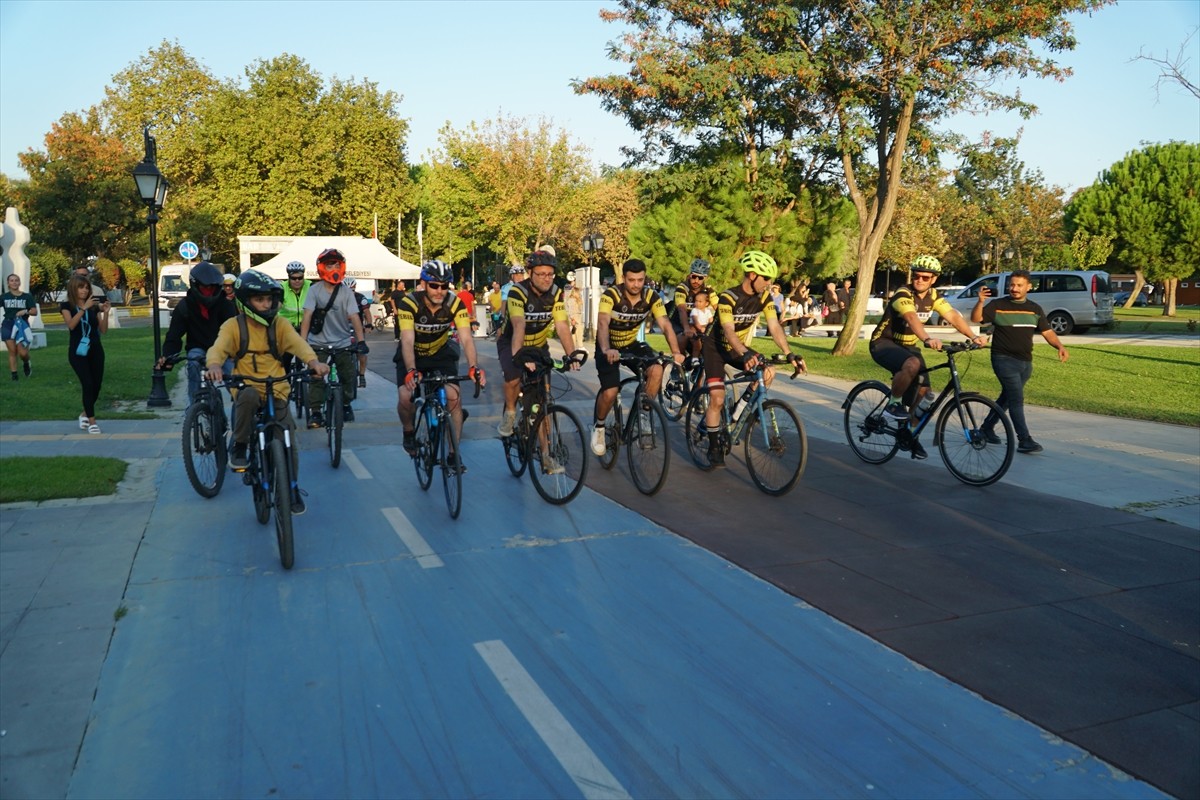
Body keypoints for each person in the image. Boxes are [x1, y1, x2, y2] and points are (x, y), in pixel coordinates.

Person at [205, 271, 329, 511]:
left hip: (277, 387)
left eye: (269, 300)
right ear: (245, 301)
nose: (266, 304)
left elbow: (299, 344)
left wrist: (314, 363)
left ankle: (292, 487)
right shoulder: (233, 326)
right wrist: (214, 365)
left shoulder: (279, 324)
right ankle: (240, 444)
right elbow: (218, 348)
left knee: (288, 437)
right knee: (248, 396)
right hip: (247, 384)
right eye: (259, 300)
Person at [869, 254, 988, 460]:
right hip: (883, 343)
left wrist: (973, 336)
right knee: (912, 363)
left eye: (926, 277)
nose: (920, 280)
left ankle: (909, 436)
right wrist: (926, 337)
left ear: (934, 279)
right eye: (917, 276)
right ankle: (893, 404)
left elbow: (951, 316)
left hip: (908, 346)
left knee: (925, 396)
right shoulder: (903, 294)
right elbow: (911, 317)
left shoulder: (933, 296)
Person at [700, 251, 806, 467]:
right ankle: (713, 447)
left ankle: (737, 414)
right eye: (766, 278)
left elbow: (774, 326)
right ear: (751, 275)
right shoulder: (728, 298)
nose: (769, 284)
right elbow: (728, 330)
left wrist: (789, 353)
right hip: (715, 348)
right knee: (717, 398)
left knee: (768, 372)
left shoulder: (765, 297)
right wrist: (745, 352)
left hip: (737, 348)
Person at [395, 260, 486, 470]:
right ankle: (408, 431)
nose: (439, 291)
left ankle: (454, 454)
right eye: (434, 285)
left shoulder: (455, 303)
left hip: (440, 352)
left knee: (454, 396)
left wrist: (474, 366)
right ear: (423, 284)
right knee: (405, 396)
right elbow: (407, 340)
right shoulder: (409, 303)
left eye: (444, 286)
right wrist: (411, 370)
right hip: (413, 354)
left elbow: (466, 338)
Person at [590, 258, 685, 457]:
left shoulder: (651, 296)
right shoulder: (611, 295)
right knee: (610, 391)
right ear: (624, 278)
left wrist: (676, 352)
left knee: (657, 369)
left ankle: (643, 411)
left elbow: (666, 325)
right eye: (631, 280)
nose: (636, 284)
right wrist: (607, 349)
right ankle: (598, 427)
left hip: (631, 344)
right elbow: (603, 323)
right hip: (608, 347)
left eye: (640, 280)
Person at [971, 268, 1069, 454]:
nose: (1014, 288)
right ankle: (1024, 439)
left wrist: (1060, 346)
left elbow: (1047, 331)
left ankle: (986, 428)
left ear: (1028, 287)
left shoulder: (1034, 309)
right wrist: (980, 302)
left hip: (1025, 362)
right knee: (1016, 399)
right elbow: (977, 319)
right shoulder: (998, 305)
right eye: (1012, 285)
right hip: (1003, 359)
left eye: (1019, 285)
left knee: (1007, 397)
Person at [496, 250, 581, 455]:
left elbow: (561, 325)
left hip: (539, 345)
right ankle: (509, 411)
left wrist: (572, 355)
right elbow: (519, 325)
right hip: (512, 343)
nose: (546, 278)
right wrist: (521, 357)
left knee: (542, 403)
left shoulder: (555, 292)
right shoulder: (518, 292)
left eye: (550, 274)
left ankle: (546, 456)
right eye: (541, 274)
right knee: (514, 377)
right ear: (530, 273)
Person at [300, 249, 368, 427]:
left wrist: (361, 342)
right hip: (318, 343)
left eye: (337, 264)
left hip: (343, 342)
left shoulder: (346, 292)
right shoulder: (314, 290)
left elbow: (355, 317)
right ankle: (315, 412)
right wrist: (302, 343)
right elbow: (307, 316)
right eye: (330, 264)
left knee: (348, 376)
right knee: (316, 376)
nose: (334, 267)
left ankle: (345, 404)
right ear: (322, 267)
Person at [156, 261, 237, 403]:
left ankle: (240, 417)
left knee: (238, 385)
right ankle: (193, 408)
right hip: (197, 349)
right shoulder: (184, 307)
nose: (208, 291)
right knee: (193, 365)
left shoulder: (226, 306)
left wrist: (236, 353)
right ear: (195, 286)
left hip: (224, 351)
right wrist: (168, 356)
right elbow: (174, 335)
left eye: (211, 288)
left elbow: (235, 333)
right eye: (204, 288)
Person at [60, 274, 110, 434]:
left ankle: (84, 413)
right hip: (78, 351)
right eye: (81, 287)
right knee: (87, 384)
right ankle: (92, 421)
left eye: (87, 287)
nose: (84, 290)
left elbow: (103, 330)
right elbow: (72, 325)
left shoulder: (94, 306)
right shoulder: (66, 305)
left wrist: (106, 312)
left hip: (95, 349)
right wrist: (83, 308)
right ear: (74, 289)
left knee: (96, 386)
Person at [673, 258, 718, 357]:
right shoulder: (682, 288)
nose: (696, 281)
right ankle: (679, 364)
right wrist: (686, 328)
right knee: (683, 337)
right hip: (679, 322)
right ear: (690, 275)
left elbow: (718, 308)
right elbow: (681, 309)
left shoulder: (708, 290)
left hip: (697, 325)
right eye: (694, 276)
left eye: (700, 278)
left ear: (705, 278)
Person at [2, 273, 37, 380]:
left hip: (22, 324)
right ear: (8, 283)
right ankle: (14, 375)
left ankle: (26, 362)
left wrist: (25, 311)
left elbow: (34, 311)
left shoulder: (26, 296)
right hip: (8, 323)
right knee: (12, 351)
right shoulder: (4, 297)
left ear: (20, 282)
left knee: (22, 352)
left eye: (16, 280)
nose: (14, 282)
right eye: (11, 280)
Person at [345, 277, 372, 387]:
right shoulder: (339, 298)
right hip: (342, 327)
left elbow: (367, 312)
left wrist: (369, 324)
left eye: (351, 290)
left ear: (355, 288)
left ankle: (362, 375)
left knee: (362, 352)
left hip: (358, 327)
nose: (349, 292)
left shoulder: (361, 298)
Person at [279, 261, 310, 333]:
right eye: (293, 278)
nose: (297, 280)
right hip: (286, 328)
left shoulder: (310, 286)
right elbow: (275, 309)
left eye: (300, 278)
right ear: (288, 277)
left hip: (307, 328)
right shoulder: (282, 288)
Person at [687, 288, 713, 357]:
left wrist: (710, 328)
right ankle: (694, 358)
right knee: (697, 345)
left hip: (704, 329)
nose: (697, 303)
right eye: (696, 301)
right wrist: (701, 329)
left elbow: (711, 321)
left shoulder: (708, 311)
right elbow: (696, 322)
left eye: (700, 301)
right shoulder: (695, 310)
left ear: (706, 303)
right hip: (695, 329)